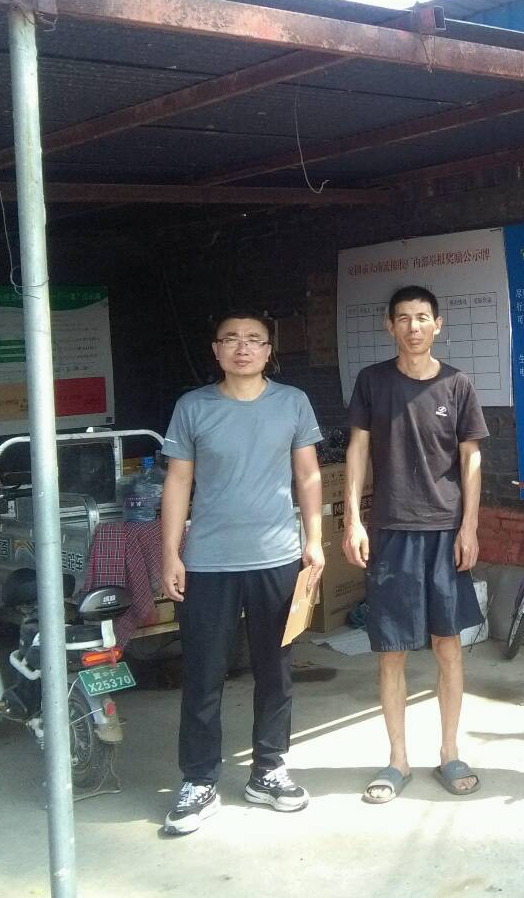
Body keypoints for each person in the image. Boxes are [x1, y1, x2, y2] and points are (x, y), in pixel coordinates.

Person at [158, 311, 325, 836]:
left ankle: (268, 768)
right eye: (231, 339)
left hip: (277, 557)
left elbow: (308, 474)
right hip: (208, 561)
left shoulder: (292, 402)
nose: (243, 348)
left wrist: (314, 541)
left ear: (269, 350)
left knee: (275, 670)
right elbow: (178, 481)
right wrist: (170, 552)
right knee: (204, 673)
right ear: (216, 350)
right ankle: (199, 780)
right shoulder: (193, 407)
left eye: (254, 340)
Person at [344, 285, 488, 802]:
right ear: (390, 326)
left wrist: (469, 526)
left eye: (422, 317)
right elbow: (358, 450)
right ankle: (397, 761)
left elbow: (471, 458)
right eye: (403, 318)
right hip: (390, 530)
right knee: (392, 651)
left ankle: (449, 753)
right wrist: (354, 521)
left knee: (448, 645)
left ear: (437, 324)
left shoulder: (457, 384)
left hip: (446, 531)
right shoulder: (373, 381)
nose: (413, 327)